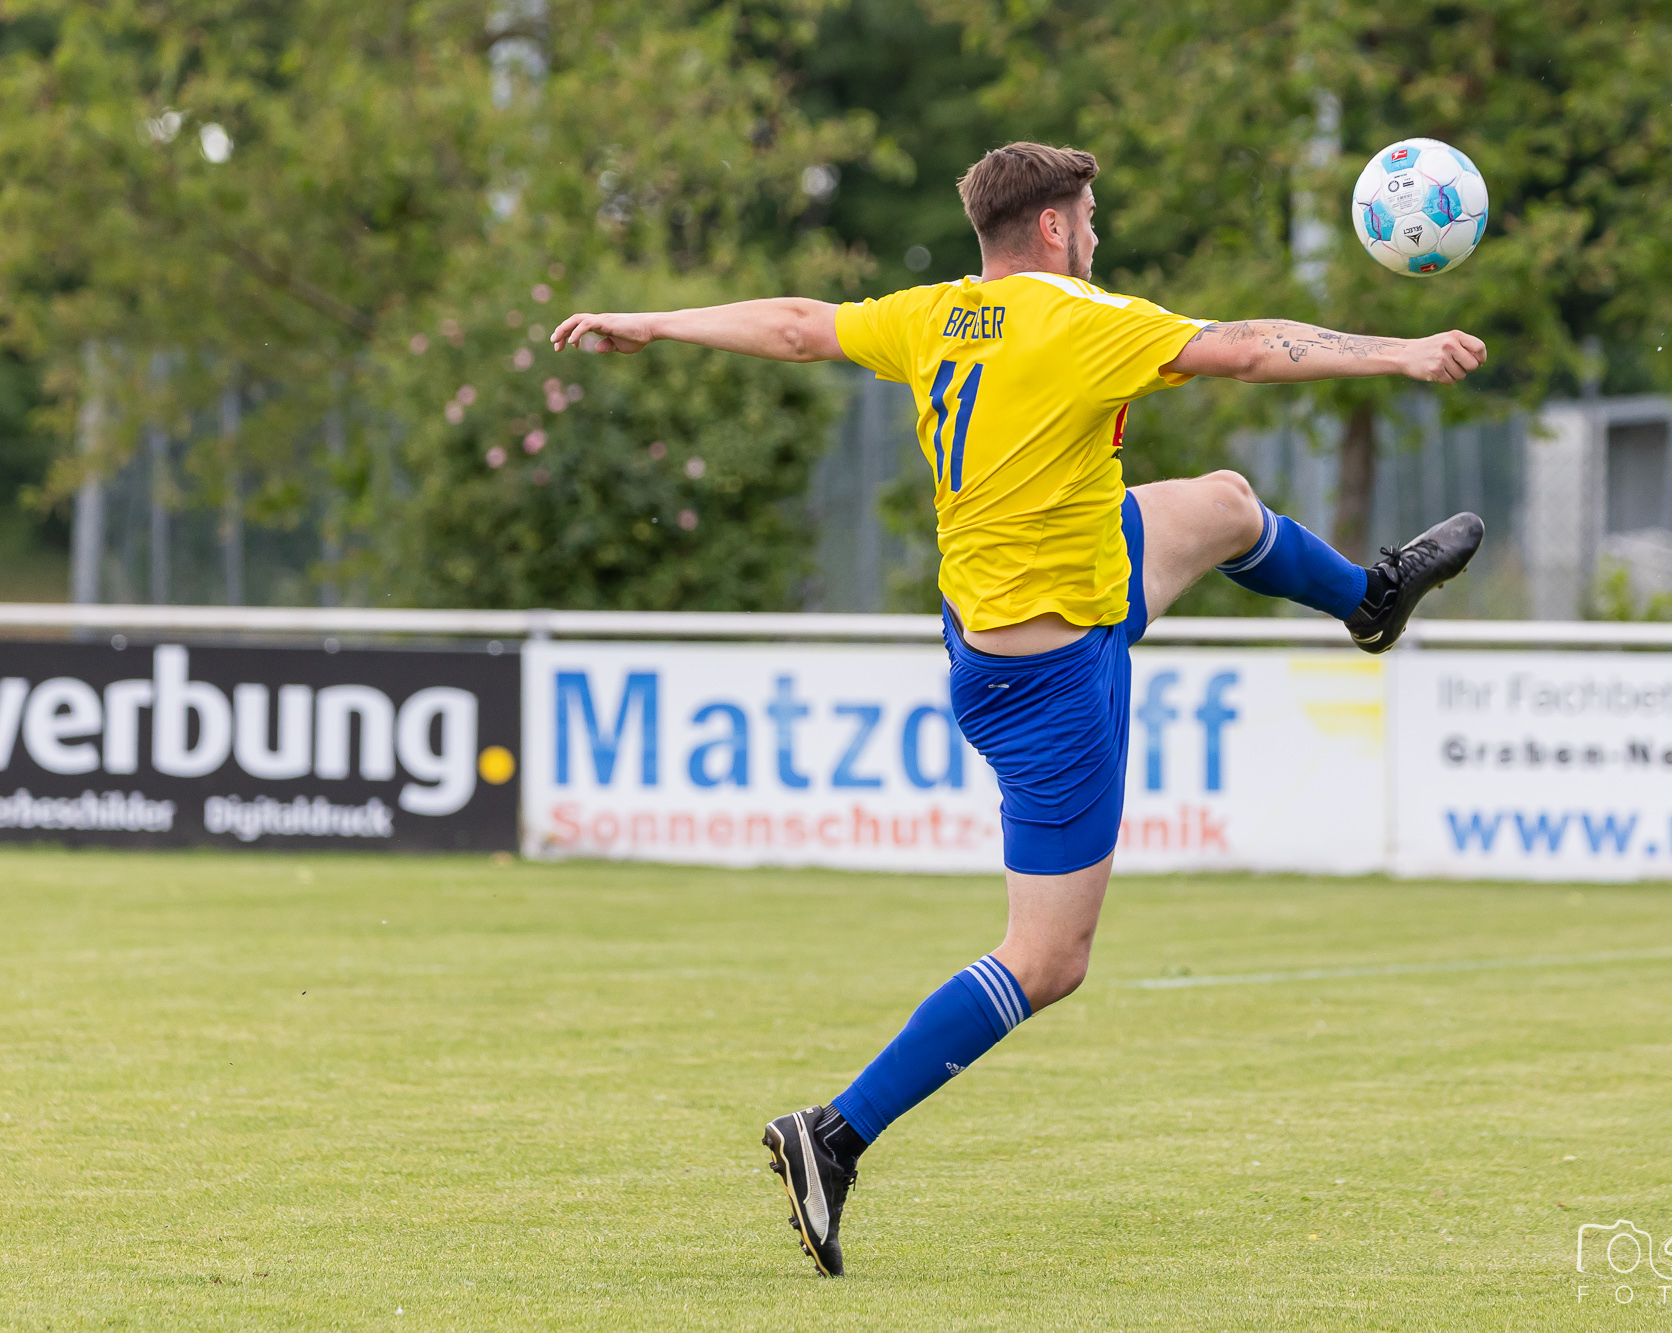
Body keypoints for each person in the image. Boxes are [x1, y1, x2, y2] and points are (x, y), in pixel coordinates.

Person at [550, 141, 1486, 1278]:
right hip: (1047, 678)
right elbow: (1247, 347)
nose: (1096, 233)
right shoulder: (1082, 319)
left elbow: (798, 324)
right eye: (1087, 215)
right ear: (1051, 226)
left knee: (1225, 504)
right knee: (1047, 958)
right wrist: (1401, 351)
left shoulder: (936, 314)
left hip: (1030, 607)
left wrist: (653, 321)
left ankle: (1368, 601)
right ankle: (833, 1135)